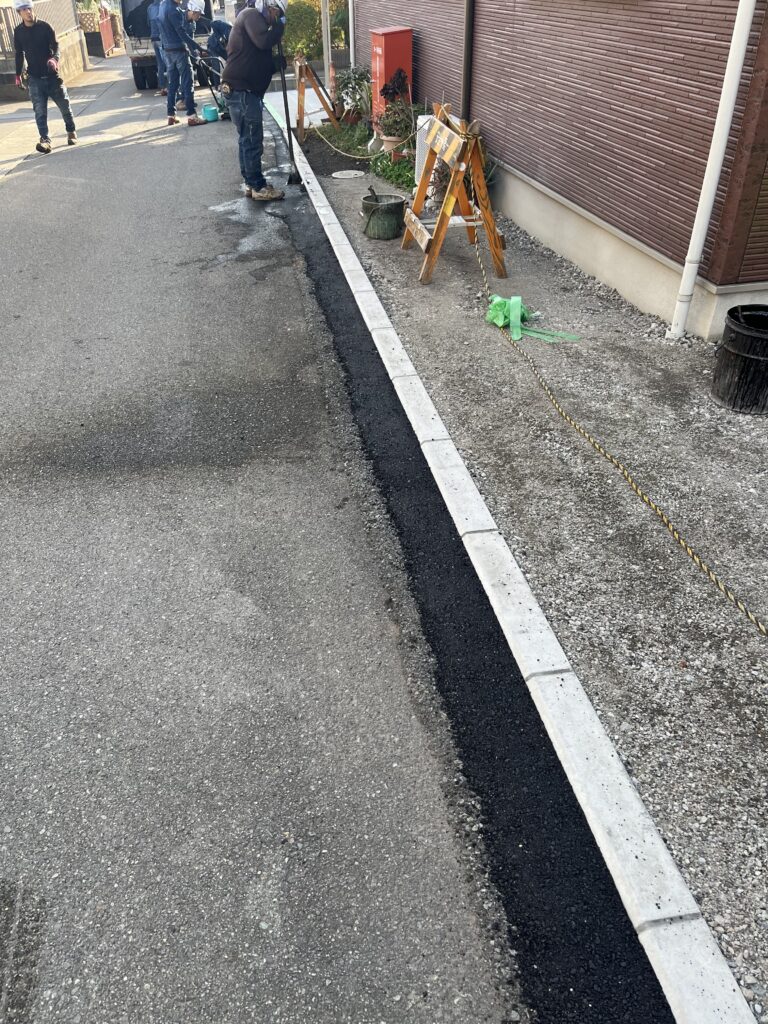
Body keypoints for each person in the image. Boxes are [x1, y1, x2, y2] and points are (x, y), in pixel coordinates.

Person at [221, 0, 286, 202]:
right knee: (251, 140)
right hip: (242, 91)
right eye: (276, 13)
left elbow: (255, 58)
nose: (275, 18)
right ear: (268, 5)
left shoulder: (255, 21)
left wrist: (274, 65)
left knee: (246, 139)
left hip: (242, 90)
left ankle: (251, 182)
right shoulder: (251, 15)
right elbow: (263, 42)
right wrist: (280, 28)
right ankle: (258, 186)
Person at [13, 0, 77, 154]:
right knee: (39, 111)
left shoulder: (45, 27)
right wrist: (18, 74)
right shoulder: (18, 31)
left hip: (52, 76)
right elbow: (19, 54)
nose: (28, 12)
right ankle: (45, 140)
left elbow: (56, 46)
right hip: (34, 78)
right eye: (24, 10)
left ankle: (71, 131)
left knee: (65, 107)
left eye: (29, 8)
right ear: (19, 13)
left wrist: (54, 59)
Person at [158, 0, 206, 127]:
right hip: (179, 51)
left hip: (167, 51)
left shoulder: (162, 6)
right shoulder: (174, 10)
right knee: (188, 82)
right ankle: (192, 116)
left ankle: (171, 115)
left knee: (172, 84)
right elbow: (181, 33)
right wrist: (197, 47)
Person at [185, 0, 230, 87]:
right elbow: (187, 40)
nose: (199, 17)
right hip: (213, 46)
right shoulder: (181, 19)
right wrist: (196, 54)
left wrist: (195, 53)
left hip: (219, 47)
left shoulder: (193, 24)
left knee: (228, 62)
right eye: (199, 14)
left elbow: (191, 41)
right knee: (216, 65)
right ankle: (217, 86)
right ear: (194, 11)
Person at [147, 0, 167, 96]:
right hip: (161, 38)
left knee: (160, 64)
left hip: (153, 38)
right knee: (168, 63)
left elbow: (148, 23)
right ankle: (169, 87)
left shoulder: (150, 7)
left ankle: (162, 87)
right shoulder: (164, 6)